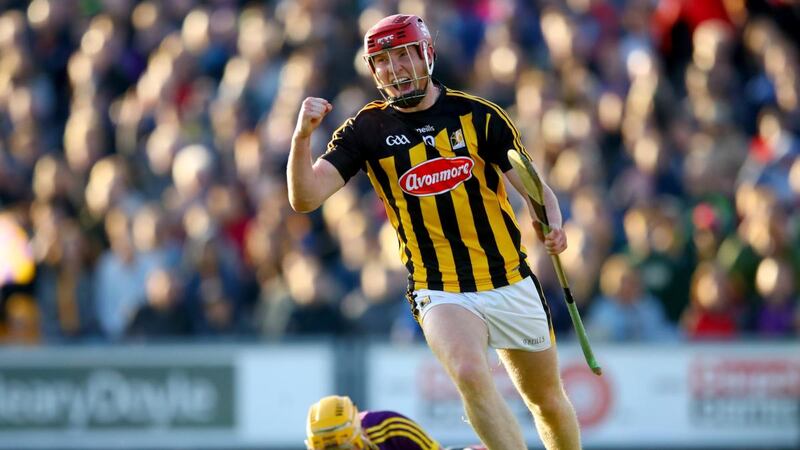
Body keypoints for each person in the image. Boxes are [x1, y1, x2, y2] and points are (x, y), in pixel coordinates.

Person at [288, 14, 581, 450]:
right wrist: (301, 138)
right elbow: (305, 198)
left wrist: (552, 225)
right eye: (383, 61)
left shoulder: (479, 116)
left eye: (404, 55)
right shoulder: (366, 129)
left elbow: (538, 191)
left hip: (509, 278)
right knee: (468, 373)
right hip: (439, 287)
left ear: (427, 54)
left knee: (547, 403)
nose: (395, 68)